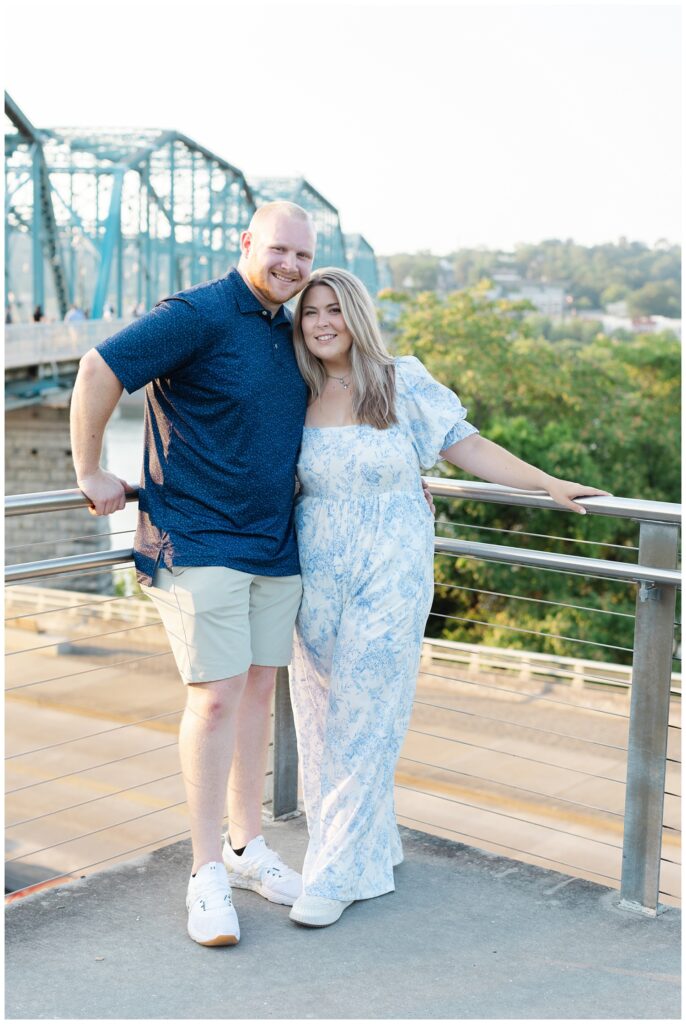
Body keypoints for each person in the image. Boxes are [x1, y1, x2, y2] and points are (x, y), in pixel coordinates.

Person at [286, 267, 608, 928]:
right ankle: (365, 843)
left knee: (365, 712)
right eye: (311, 312)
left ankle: (338, 874)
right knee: (319, 711)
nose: (321, 323)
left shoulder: (400, 380)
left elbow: (469, 447)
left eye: (334, 311)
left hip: (391, 569)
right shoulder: (298, 388)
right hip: (315, 575)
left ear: (356, 317)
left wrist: (546, 483)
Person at [69, 201, 319, 947]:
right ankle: (205, 873)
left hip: (275, 544)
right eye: (281, 250)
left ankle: (247, 849)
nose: (293, 268)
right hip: (199, 539)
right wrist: (89, 469)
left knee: (255, 692)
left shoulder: (288, 327)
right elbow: (98, 367)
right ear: (247, 244)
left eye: (305, 257)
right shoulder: (199, 313)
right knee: (213, 701)